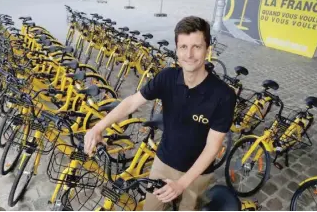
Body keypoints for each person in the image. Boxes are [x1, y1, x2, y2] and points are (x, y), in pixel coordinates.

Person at [84, 16, 236, 211]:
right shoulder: (167, 78)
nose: (189, 54)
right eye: (183, 47)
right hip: (163, 162)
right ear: (176, 49)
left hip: (197, 174)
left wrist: (182, 184)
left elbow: (212, 147)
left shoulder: (223, 95)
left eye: (196, 47)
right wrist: (98, 127)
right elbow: (131, 102)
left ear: (208, 49)